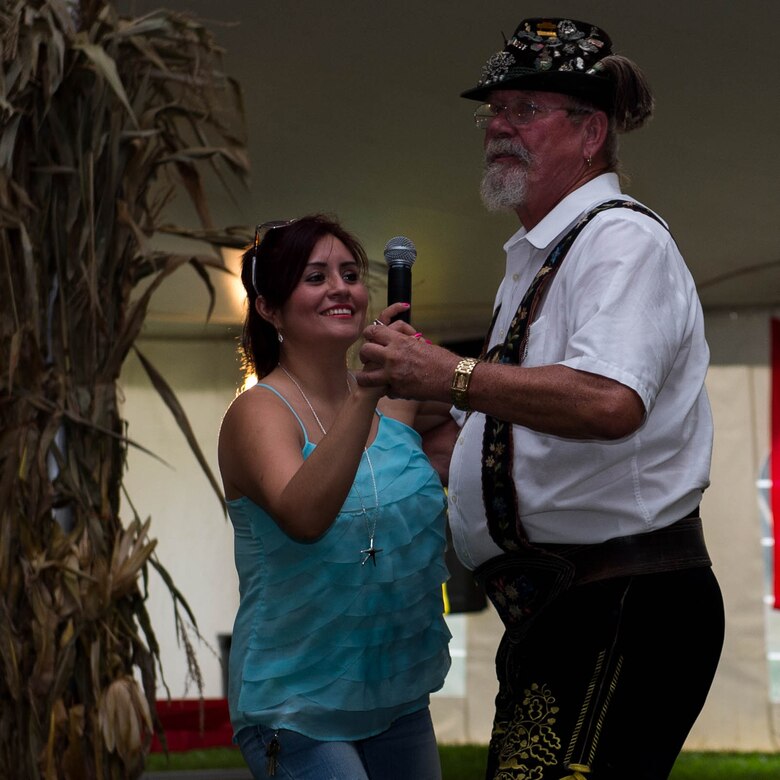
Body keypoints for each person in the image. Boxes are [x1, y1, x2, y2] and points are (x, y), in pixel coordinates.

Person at [358, 17, 724, 780]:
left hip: (625, 599)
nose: (498, 127)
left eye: (526, 109)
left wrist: (448, 375)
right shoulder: (539, 259)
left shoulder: (620, 241)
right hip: (565, 609)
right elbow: (498, 444)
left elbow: (608, 401)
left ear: (592, 133)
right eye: (493, 111)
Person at [218, 214, 451, 779]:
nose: (340, 288)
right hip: (293, 705)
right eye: (315, 277)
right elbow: (303, 515)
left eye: (350, 273)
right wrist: (367, 391)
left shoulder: (396, 403)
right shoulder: (258, 413)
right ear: (270, 308)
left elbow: (468, 423)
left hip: (395, 696)